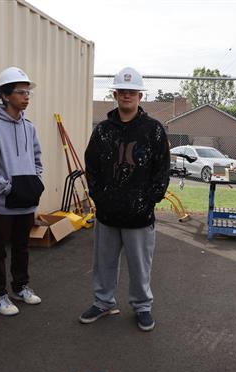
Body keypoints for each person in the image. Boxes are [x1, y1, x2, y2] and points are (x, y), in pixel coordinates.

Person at [79, 67, 170, 332]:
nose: (127, 96)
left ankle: (142, 306)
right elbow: (92, 165)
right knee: (103, 263)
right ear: (115, 95)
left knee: (140, 266)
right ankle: (103, 301)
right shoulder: (104, 130)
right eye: (122, 91)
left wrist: (149, 200)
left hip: (139, 216)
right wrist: (99, 197)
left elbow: (162, 169)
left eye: (131, 92)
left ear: (140, 95)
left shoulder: (153, 130)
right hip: (107, 213)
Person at [0, 67, 44, 316]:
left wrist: (36, 181)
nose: (26, 97)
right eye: (21, 92)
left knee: (21, 247)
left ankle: (20, 287)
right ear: (5, 95)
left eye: (28, 92)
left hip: (26, 202)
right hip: (1, 204)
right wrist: (6, 189)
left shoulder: (30, 127)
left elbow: (37, 157)